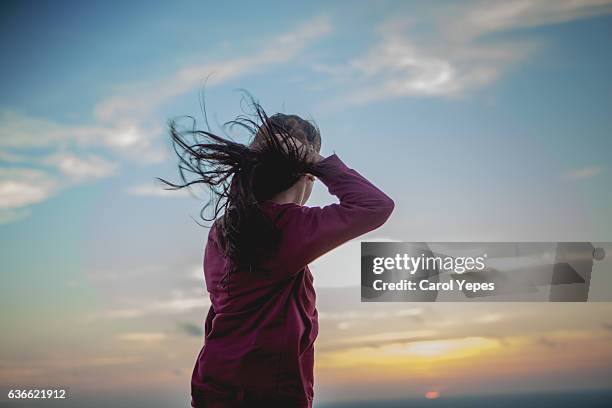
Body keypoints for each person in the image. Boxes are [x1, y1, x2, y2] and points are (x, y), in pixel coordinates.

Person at [162, 100, 394, 407]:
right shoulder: (287, 227)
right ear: (308, 174)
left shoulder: (223, 228)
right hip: (267, 396)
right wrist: (318, 161)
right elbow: (375, 206)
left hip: (212, 388)